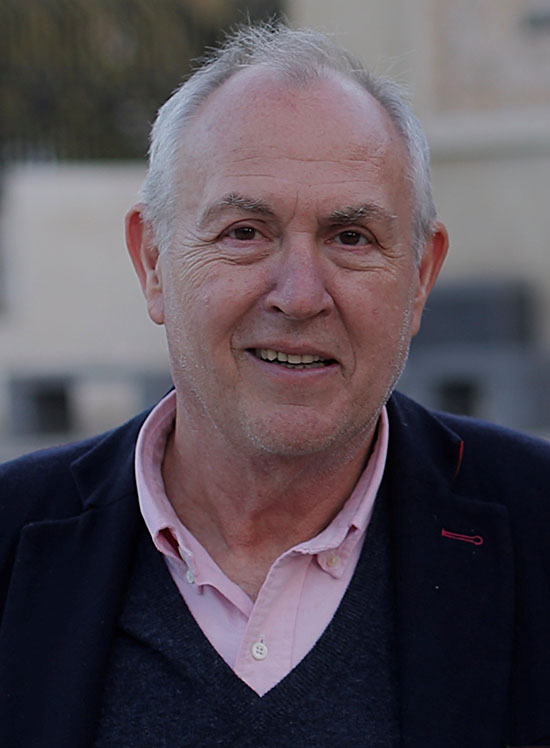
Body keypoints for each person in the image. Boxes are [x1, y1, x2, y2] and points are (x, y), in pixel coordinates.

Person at [1, 22, 549, 748]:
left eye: (351, 238)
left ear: (420, 277)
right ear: (154, 262)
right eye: (245, 232)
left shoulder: (538, 527)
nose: (299, 296)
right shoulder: (12, 538)